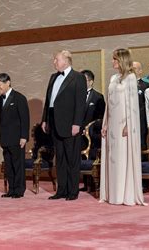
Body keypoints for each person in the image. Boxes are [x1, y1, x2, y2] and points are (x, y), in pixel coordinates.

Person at [100, 48, 145, 206]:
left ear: (122, 60)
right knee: (113, 157)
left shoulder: (131, 78)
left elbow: (132, 104)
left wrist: (128, 124)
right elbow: (108, 104)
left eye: (115, 59)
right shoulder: (113, 78)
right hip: (112, 123)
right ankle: (113, 193)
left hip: (124, 124)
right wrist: (105, 123)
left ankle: (124, 194)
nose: (112, 62)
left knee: (122, 156)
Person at [41, 50, 86, 201]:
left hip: (70, 124)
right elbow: (49, 101)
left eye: (57, 59)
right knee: (59, 158)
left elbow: (80, 103)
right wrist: (45, 119)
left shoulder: (78, 77)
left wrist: (77, 123)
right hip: (54, 122)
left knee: (72, 158)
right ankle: (61, 190)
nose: (54, 62)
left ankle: (72, 191)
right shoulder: (53, 77)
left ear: (66, 60)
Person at [0, 73, 30, 199]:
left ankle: (19, 190)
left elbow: (25, 119)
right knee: (9, 166)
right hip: (5, 139)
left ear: (8, 82)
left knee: (18, 165)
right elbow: (0, 121)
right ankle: (11, 189)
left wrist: (24, 137)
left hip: (17, 138)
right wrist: (0, 137)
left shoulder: (19, 98)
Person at [80, 70, 105, 191]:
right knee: (81, 157)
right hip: (78, 133)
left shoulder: (98, 97)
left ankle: (96, 184)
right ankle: (85, 184)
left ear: (91, 81)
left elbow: (101, 117)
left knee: (92, 157)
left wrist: (89, 128)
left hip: (93, 134)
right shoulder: (76, 96)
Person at [132, 61, 149, 150]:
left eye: (134, 68)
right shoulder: (123, 85)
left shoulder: (146, 85)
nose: (132, 70)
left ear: (140, 71)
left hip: (141, 118)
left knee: (141, 142)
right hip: (127, 119)